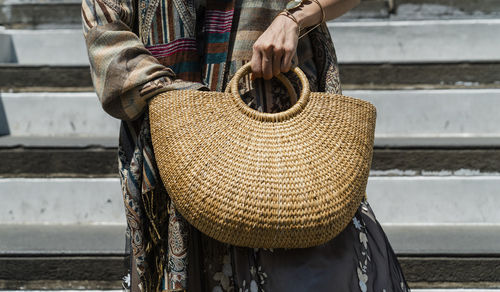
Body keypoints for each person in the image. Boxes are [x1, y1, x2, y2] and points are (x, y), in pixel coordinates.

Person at [82, 0, 411, 291]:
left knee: (311, 264)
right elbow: (104, 27)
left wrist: (294, 18)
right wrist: (186, 108)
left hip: (280, 136)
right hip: (174, 144)